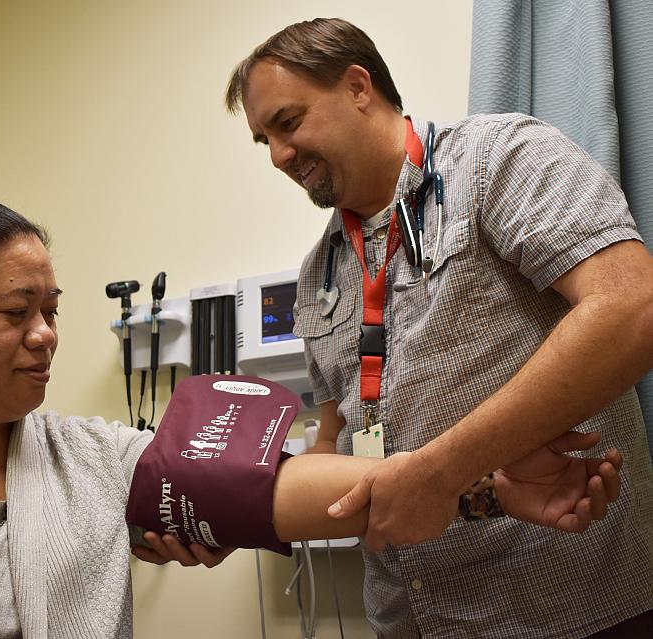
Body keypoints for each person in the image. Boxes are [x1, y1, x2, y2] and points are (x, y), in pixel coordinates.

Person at [0, 198, 624, 638]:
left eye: (53, 308)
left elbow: (282, 488)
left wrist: (484, 487)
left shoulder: (86, 455)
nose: (48, 334)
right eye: (17, 312)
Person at [225, 18, 653, 639]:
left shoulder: (498, 159)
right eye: (263, 139)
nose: (278, 156)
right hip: (409, 621)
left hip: (571, 608)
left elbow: (632, 309)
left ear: (356, 86)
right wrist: (226, 516)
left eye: (288, 123)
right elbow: (335, 447)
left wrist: (438, 471)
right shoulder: (320, 273)